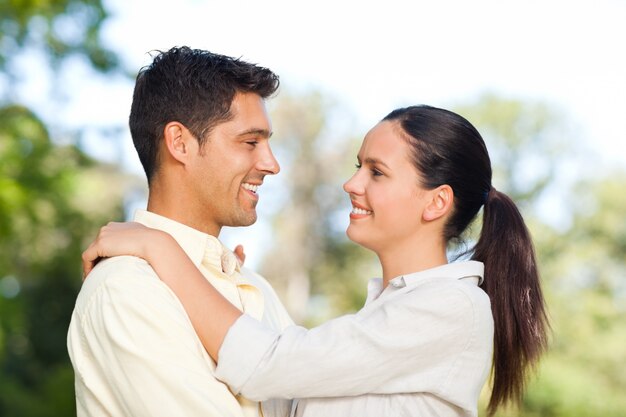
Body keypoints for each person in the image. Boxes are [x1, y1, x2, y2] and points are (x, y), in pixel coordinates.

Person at [83, 105, 550, 417]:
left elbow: (268, 366)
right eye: (358, 165)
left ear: (435, 203)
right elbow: (283, 396)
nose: (352, 184)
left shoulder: (450, 307)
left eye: (377, 172)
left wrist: (160, 248)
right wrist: (228, 281)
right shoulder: (393, 313)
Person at [67, 46, 294, 417]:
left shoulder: (256, 290)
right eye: (250, 142)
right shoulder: (126, 288)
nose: (271, 164)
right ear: (180, 143)